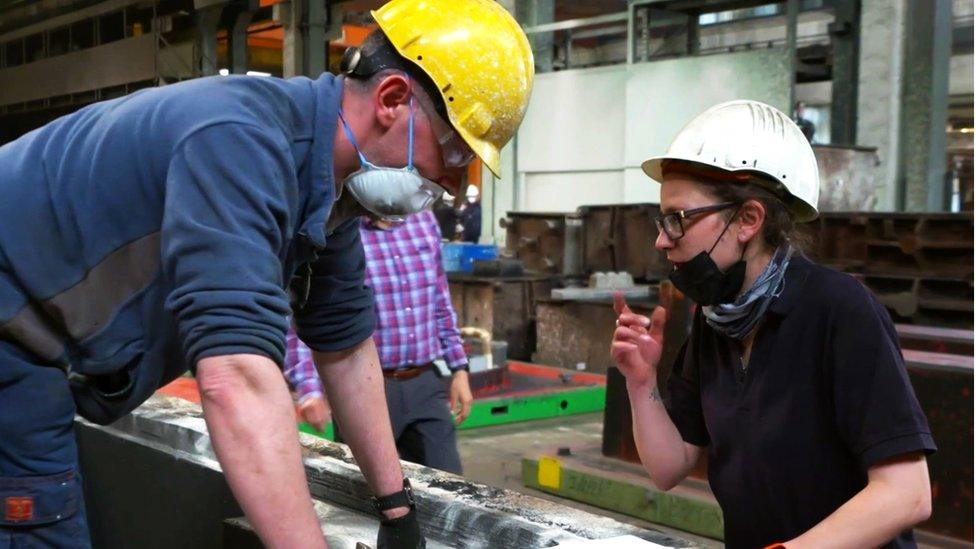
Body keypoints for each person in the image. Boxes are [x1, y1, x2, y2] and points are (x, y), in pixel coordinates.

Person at [0, 0, 533, 546]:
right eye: (449, 151)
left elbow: (344, 345)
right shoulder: (240, 139)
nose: (446, 182)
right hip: (13, 342)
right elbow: (235, 378)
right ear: (392, 99)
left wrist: (397, 510)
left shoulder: (324, 191)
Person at [611, 100, 934, 549]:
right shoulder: (716, 320)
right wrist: (640, 381)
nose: (662, 239)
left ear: (748, 220)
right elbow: (669, 467)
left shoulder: (840, 310)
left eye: (678, 219)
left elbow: (907, 494)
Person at [287, 209, 473, 474]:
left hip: (425, 382)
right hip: (364, 387)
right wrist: (309, 388)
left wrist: (459, 369)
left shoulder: (423, 221)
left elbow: (440, 299)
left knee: (450, 485)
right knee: (369, 488)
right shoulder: (340, 230)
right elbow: (311, 315)